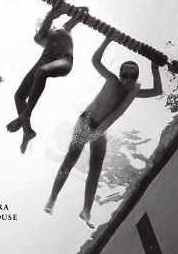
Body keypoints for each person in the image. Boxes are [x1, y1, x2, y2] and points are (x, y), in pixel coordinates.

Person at [44, 33, 163, 228]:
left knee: (96, 168)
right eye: (125, 75)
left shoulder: (132, 93)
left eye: (133, 76)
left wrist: (154, 68)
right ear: (120, 75)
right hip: (86, 122)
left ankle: (86, 210)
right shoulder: (112, 80)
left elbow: (157, 91)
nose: (128, 80)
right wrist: (108, 39)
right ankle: (52, 198)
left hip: (101, 129)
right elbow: (95, 60)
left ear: (136, 78)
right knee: (70, 160)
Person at [6, 3, 87, 153]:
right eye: (40, 26)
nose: (42, 27)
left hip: (63, 60)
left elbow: (85, 11)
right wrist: (52, 14)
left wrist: (66, 9)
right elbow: (43, 28)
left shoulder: (64, 28)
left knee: (41, 71)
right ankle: (28, 131)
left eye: (44, 24)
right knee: (19, 96)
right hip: (45, 61)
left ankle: (26, 113)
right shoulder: (39, 38)